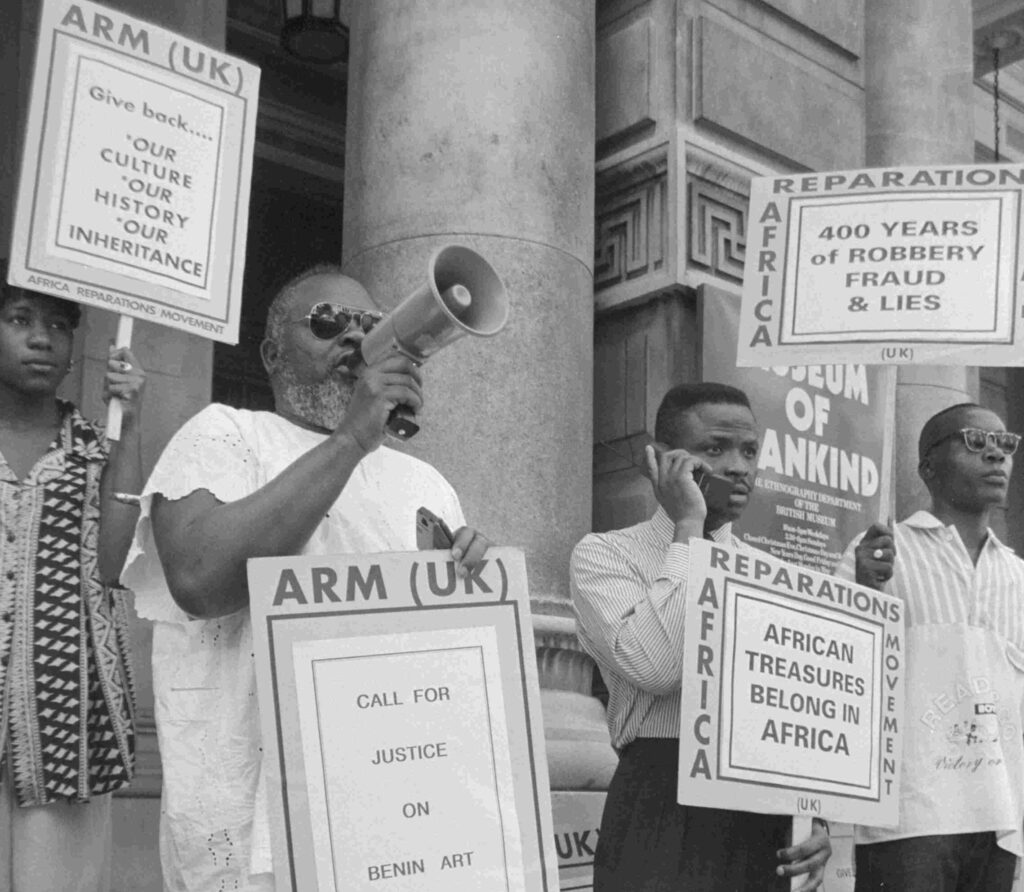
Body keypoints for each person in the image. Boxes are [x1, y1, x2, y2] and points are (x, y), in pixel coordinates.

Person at [122, 264, 490, 891]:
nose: (353, 338)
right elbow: (200, 579)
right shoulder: (224, 434)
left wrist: (469, 582)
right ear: (271, 354)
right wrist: (351, 439)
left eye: (372, 325)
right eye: (327, 322)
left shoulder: (427, 485)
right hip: (254, 832)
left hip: (388, 829)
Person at [570, 381, 831, 891]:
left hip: (761, 809)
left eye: (750, 450)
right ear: (661, 461)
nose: (739, 466)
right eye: (716, 448)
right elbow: (659, 666)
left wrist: (816, 818)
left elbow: (798, 706)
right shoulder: (605, 554)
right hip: (661, 801)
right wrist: (688, 526)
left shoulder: (770, 574)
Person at [836, 403, 1024, 892]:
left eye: (1006, 445)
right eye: (975, 442)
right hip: (911, 814)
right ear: (927, 467)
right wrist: (863, 590)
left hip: (999, 814)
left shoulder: (1018, 576)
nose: (996, 457)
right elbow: (839, 669)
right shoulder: (880, 551)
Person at [0, 269, 145, 892]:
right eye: (22, 320)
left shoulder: (91, 446)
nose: (42, 339)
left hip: (62, 713)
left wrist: (130, 422)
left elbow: (109, 566)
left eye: (59, 326)